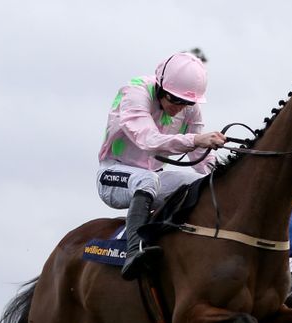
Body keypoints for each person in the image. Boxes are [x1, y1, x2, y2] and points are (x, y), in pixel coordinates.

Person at [96, 52, 227, 280]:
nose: (179, 107)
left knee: (202, 184)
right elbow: (148, 141)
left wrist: (223, 176)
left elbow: (200, 155)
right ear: (160, 85)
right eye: (174, 99)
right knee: (147, 180)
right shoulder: (134, 92)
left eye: (187, 102)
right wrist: (197, 139)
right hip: (113, 175)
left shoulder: (189, 108)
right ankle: (134, 252)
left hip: (154, 177)